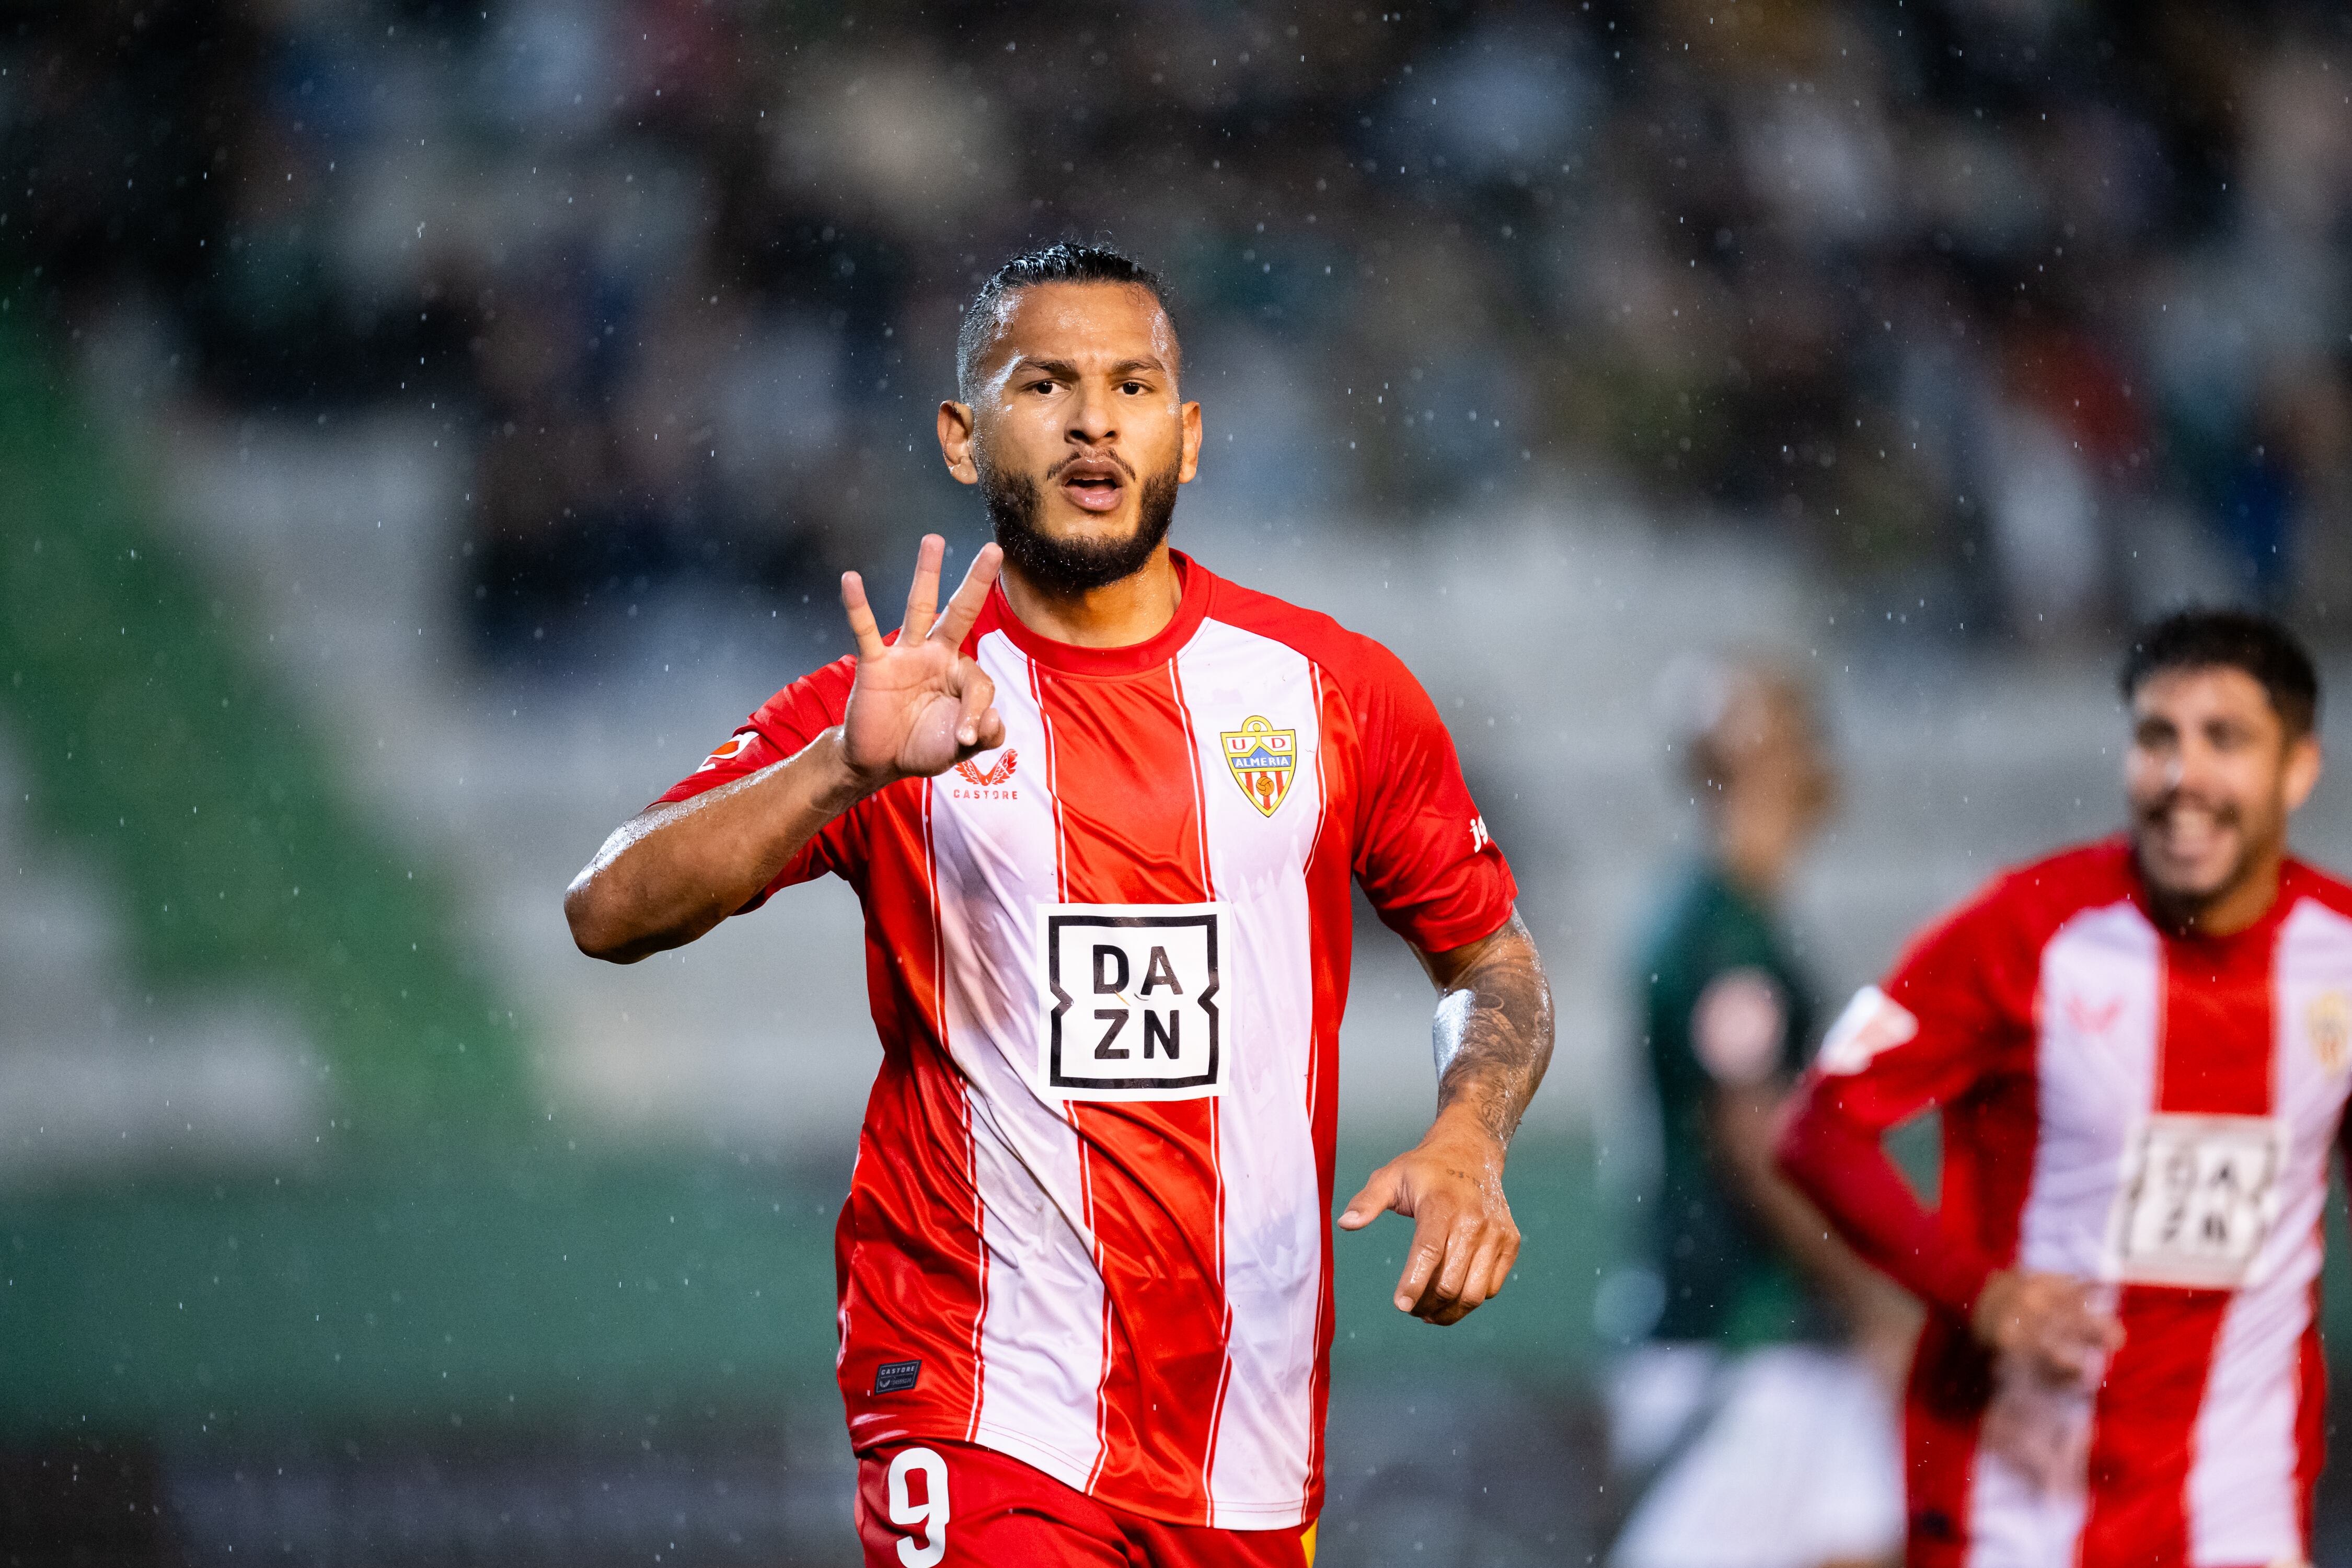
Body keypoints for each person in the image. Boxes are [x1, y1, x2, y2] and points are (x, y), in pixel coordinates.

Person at [562, 243, 1553, 1568]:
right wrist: (838, 771)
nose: (1097, 418)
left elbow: (1493, 966)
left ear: (1188, 437)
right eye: (1048, 384)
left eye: (1134, 385)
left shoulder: (1335, 691)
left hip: (1240, 1434)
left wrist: (1470, 1135)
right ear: (964, 439)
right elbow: (608, 906)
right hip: (975, 1398)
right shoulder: (896, 707)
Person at [1777, 609, 2343, 1568]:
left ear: (2298, 771)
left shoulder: (2339, 952)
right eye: (2157, 737)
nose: (2182, 778)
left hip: (2238, 1504)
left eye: (2225, 740)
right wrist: (1974, 1292)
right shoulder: (2021, 933)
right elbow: (1818, 1129)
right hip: (2020, 1502)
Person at [1607, 661, 1914, 1568]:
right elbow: (1758, 1143)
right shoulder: (1726, 935)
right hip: (1742, 1347)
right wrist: (1871, 1306)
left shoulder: (1725, 921)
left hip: (1771, 1345)